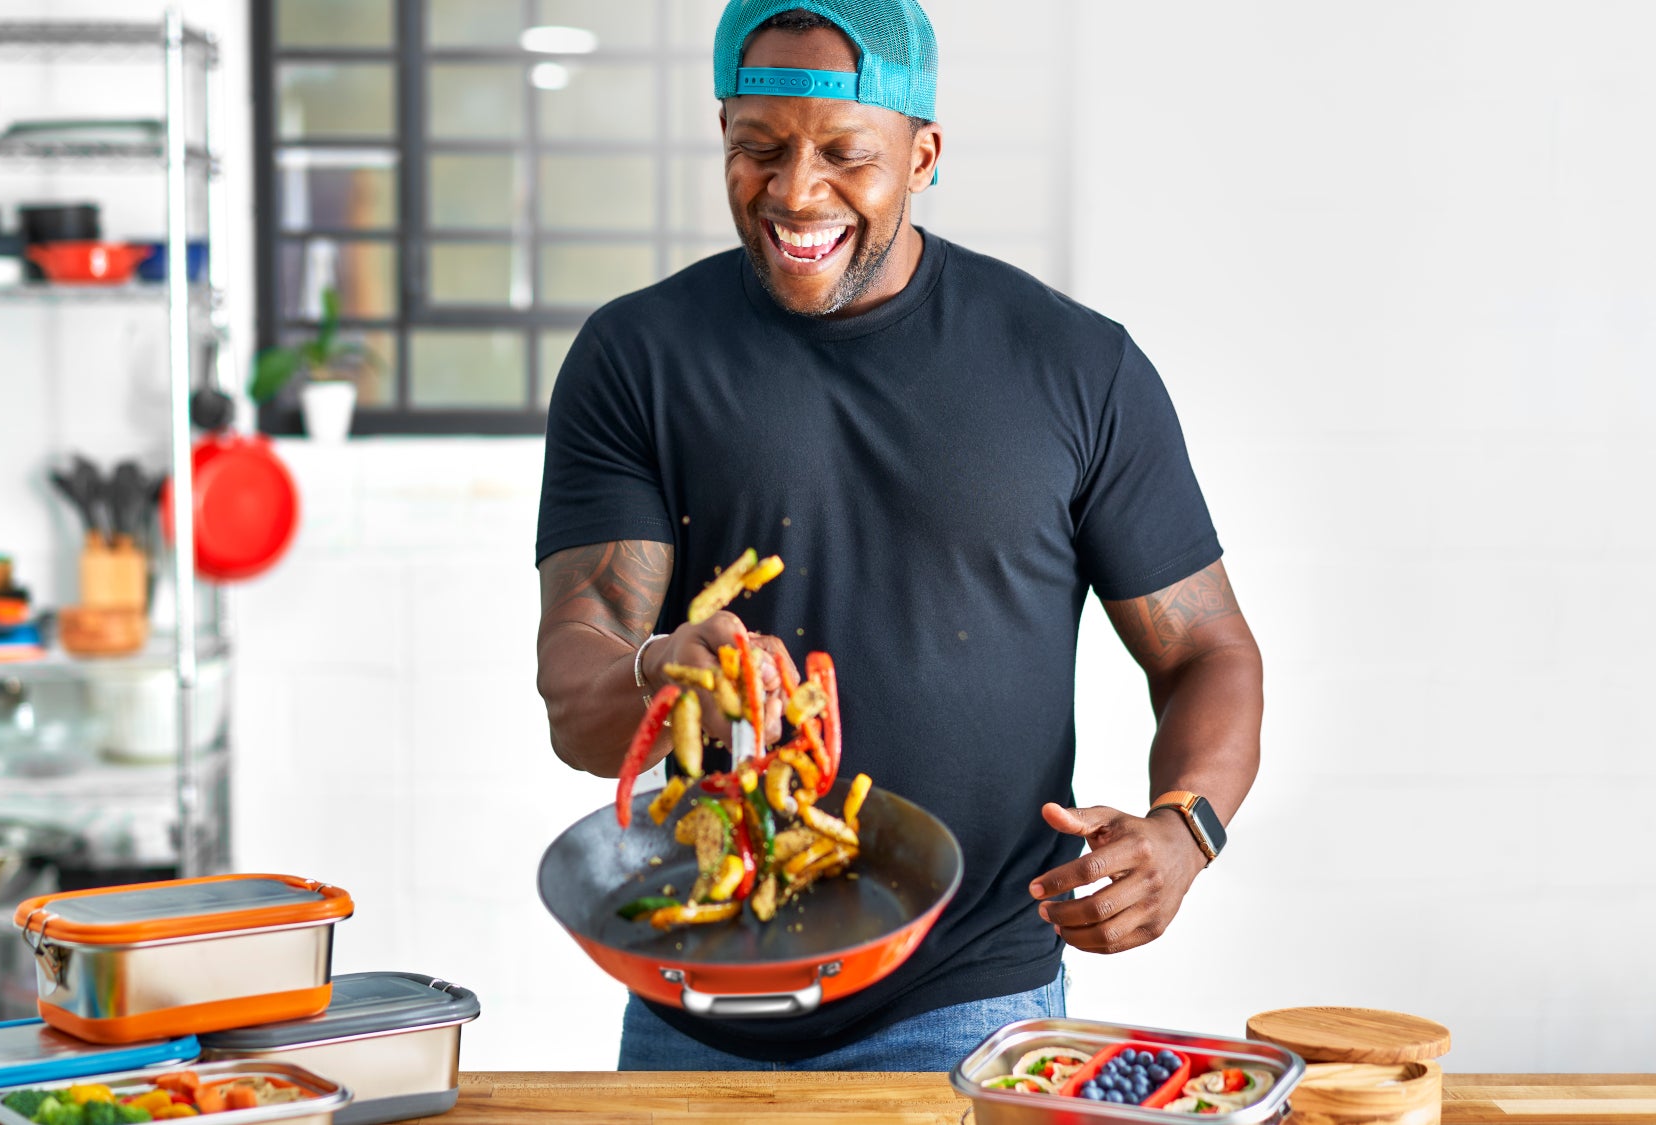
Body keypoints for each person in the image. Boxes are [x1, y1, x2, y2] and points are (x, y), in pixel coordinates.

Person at [533, 0, 1262, 1072]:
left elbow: (1207, 650)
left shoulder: (1074, 368)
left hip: (971, 1007)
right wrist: (657, 672)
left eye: (843, 154)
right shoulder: (635, 360)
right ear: (722, 134)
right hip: (699, 1002)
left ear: (922, 155)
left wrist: (1183, 827)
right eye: (759, 148)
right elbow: (573, 698)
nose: (793, 193)